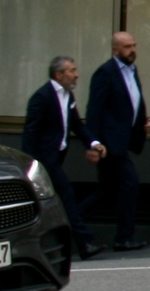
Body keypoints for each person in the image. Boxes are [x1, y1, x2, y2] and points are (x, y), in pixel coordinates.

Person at [21, 54, 105, 259]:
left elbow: (77, 125)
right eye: (72, 71)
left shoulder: (68, 97)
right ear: (59, 75)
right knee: (67, 196)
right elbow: (30, 132)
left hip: (57, 157)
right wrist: (30, 164)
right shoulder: (42, 97)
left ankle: (43, 246)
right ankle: (84, 243)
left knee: (50, 204)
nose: (77, 75)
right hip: (44, 160)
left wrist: (94, 143)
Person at [84, 29, 150, 252]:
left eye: (134, 45)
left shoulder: (132, 70)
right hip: (109, 144)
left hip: (122, 140)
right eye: (127, 47)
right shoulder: (105, 73)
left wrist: (141, 124)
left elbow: (132, 102)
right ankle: (123, 238)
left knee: (107, 190)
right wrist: (93, 143)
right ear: (115, 50)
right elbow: (94, 110)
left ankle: (72, 223)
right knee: (130, 184)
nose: (132, 51)